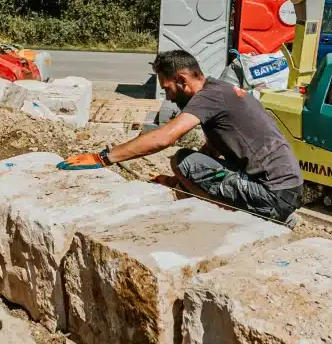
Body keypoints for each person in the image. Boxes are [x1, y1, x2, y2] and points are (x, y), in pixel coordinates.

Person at [58, 49, 303, 224]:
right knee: (190, 164)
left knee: (183, 160)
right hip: (286, 189)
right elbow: (212, 152)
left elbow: (164, 138)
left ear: (182, 80)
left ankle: (255, 219)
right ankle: (271, 212)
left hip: (271, 194)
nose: (168, 97)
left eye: (167, 88)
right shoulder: (220, 90)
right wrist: (180, 183)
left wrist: (104, 158)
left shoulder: (208, 97)